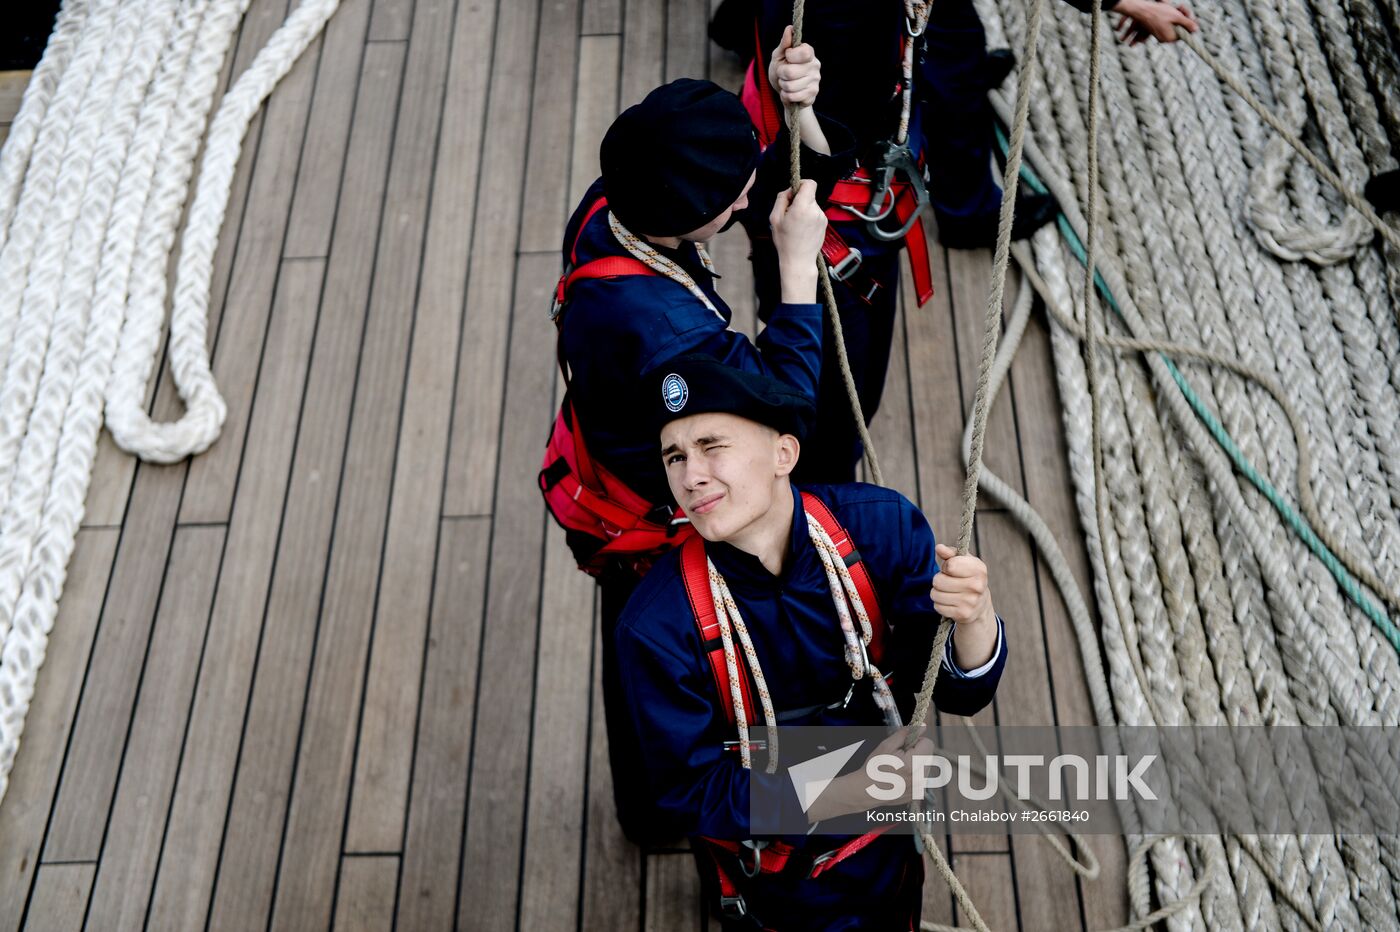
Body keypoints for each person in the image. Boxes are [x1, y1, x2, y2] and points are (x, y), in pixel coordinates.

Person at [549, 69, 852, 842]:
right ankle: (670, 815)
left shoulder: (609, 202)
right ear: (689, 216)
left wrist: (797, 103)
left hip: (609, 474)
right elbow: (783, 412)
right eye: (734, 195)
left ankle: (648, 813)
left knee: (636, 656)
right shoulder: (668, 335)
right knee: (674, 655)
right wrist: (794, 273)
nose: (747, 199)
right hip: (657, 521)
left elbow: (744, 157)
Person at [615, 356, 1008, 928]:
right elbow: (688, 790)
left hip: (886, 849)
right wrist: (844, 792)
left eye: (711, 445)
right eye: (675, 456)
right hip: (771, 882)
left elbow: (956, 692)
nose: (690, 475)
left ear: (784, 454)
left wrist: (976, 618)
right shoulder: (658, 626)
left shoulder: (880, 531)